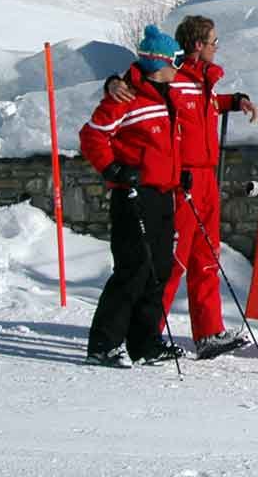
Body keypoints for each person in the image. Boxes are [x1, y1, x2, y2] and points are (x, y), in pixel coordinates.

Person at [106, 16, 258, 360]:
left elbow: (203, 108)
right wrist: (112, 82)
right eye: (214, 41)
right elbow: (137, 86)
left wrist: (234, 101)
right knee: (173, 259)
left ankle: (208, 332)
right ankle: (149, 334)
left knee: (207, 255)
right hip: (181, 178)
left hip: (207, 177)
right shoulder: (173, 78)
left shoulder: (205, 82)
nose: (217, 47)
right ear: (197, 45)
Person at [78, 27, 188, 367]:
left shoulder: (165, 95)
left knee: (160, 269)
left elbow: (163, 145)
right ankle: (103, 344)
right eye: (176, 61)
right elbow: (92, 137)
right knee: (133, 268)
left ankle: (146, 343)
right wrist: (113, 170)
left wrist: (178, 172)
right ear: (159, 63)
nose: (180, 68)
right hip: (133, 194)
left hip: (162, 193)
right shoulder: (125, 96)